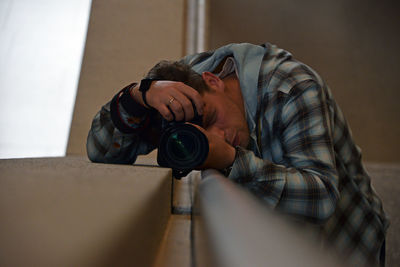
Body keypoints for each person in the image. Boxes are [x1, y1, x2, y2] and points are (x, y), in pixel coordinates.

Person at [87, 42, 389, 266]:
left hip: (345, 245)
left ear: (213, 81)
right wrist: (137, 95)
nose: (215, 139)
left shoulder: (292, 87)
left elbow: (321, 197)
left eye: (209, 120)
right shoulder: (178, 95)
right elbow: (102, 154)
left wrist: (231, 160)